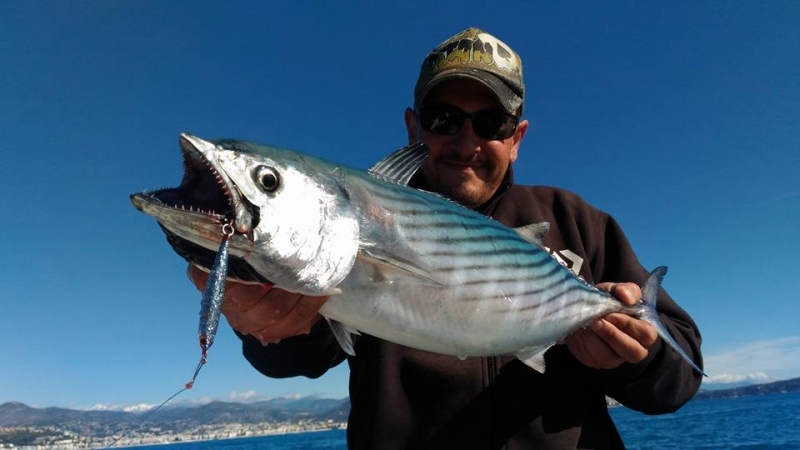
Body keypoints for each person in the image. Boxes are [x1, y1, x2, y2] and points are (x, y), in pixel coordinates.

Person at [189, 27, 703, 449]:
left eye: (491, 121)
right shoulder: (344, 227)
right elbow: (294, 358)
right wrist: (263, 324)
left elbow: (678, 382)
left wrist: (642, 359)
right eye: (444, 119)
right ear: (414, 128)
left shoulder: (576, 220)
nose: (466, 141)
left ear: (517, 138)